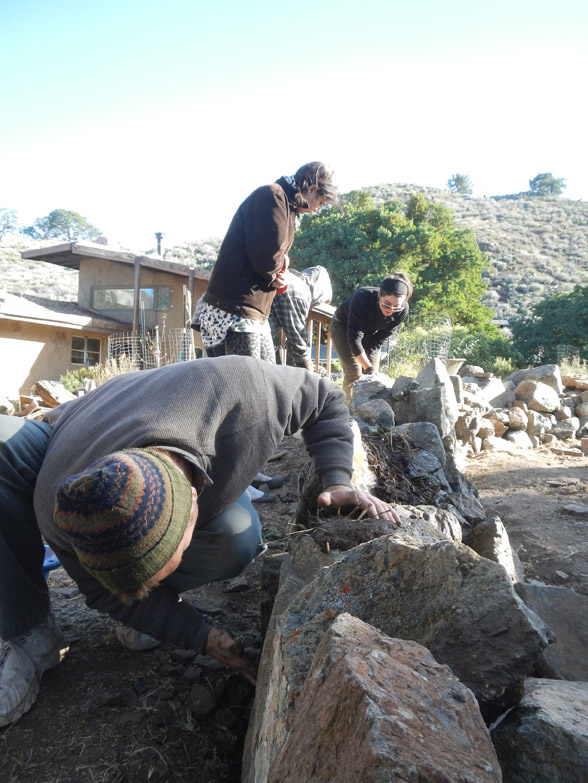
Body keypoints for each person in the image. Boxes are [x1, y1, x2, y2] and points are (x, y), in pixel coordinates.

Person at [0, 356, 399, 727]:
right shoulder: (60, 506)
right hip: (73, 430)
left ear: (196, 500)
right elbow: (103, 593)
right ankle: (29, 631)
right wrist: (198, 634)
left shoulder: (249, 395)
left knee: (238, 536)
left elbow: (326, 396)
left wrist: (337, 479)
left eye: (160, 571)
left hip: (167, 410)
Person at [195, 161, 337, 360]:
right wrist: (280, 273)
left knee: (262, 380)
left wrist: (281, 272)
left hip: (250, 313)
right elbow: (267, 259)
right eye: (319, 203)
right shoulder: (273, 196)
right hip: (231, 312)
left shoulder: (286, 205)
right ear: (312, 189)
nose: (316, 210)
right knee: (245, 386)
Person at [331, 272, 412, 402]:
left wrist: (369, 368)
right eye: (386, 304)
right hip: (343, 327)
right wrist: (367, 367)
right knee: (354, 373)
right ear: (379, 294)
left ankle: (369, 413)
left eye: (396, 307)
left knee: (372, 377)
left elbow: (382, 337)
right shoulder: (362, 297)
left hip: (370, 333)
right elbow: (354, 338)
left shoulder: (403, 311)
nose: (390, 310)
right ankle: (346, 412)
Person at [269, 266, 333, 371]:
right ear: (318, 294)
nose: (311, 308)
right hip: (249, 334)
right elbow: (299, 343)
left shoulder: (291, 279)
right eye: (317, 303)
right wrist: (310, 378)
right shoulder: (298, 290)